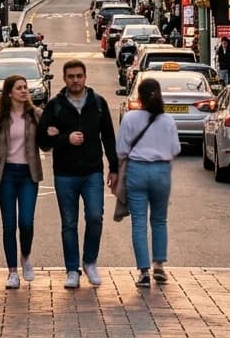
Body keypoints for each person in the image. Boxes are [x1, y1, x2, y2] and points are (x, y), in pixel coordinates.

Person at [38, 60, 119, 289]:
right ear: (64, 79)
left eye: (79, 76)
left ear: (85, 77)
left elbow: (109, 137)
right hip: (65, 174)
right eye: (71, 76)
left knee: (95, 217)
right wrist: (65, 138)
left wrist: (114, 167)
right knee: (69, 223)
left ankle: (90, 262)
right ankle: (72, 269)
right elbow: (43, 141)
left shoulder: (98, 103)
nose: (75, 80)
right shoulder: (55, 106)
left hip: (92, 172)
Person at [118, 77, 182, 288]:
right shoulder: (168, 120)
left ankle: (143, 271)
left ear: (139, 97)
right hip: (161, 171)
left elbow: (121, 150)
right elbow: (176, 149)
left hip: (137, 170)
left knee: (139, 221)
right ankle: (159, 265)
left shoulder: (130, 118)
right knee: (159, 220)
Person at [0, 75, 44, 289]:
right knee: (9, 224)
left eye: (25, 87)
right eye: (19, 88)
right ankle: (12, 272)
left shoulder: (35, 114)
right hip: (6, 174)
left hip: (28, 174)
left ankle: (25, 255)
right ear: (9, 92)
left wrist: (51, 133)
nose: (24, 91)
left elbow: (46, 144)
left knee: (26, 222)